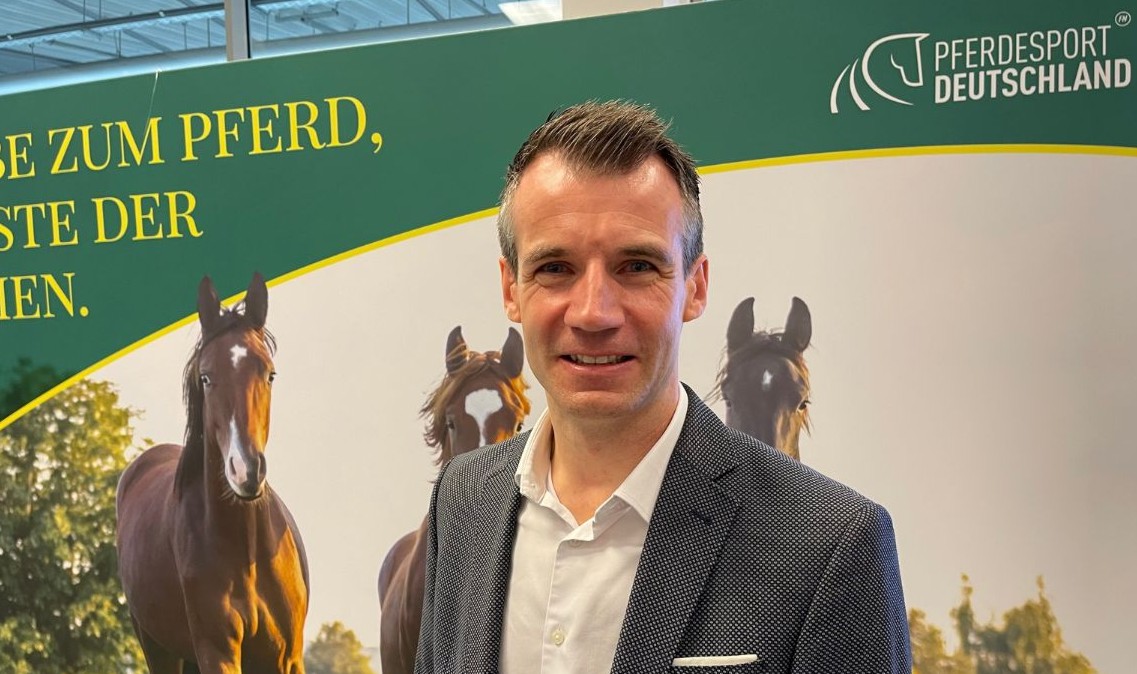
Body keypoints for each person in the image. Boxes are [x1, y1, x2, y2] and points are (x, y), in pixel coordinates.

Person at [414, 100, 910, 674]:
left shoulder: (832, 543)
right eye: (555, 268)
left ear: (695, 287)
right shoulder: (463, 498)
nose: (594, 312)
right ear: (511, 289)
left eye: (637, 266)